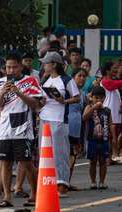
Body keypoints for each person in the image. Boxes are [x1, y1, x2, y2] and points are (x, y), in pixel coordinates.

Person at [0, 52, 45, 208]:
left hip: (23, 127)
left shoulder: (30, 81)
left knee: (26, 163)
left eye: (14, 67)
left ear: (21, 66)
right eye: (8, 67)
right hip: (4, 129)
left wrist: (18, 92)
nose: (11, 70)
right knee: (5, 162)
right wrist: (3, 92)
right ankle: (7, 196)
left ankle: (35, 193)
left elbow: (35, 104)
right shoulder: (0, 82)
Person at [39, 51, 79, 196]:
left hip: (60, 119)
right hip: (45, 118)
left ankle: (62, 182)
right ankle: (47, 181)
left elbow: (77, 97)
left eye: (46, 63)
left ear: (54, 64)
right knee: (45, 152)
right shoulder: (45, 80)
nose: (44, 65)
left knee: (59, 152)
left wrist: (64, 101)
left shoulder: (66, 80)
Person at [82, 86, 112, 189]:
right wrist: (94, 107)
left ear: (104, 98)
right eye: (96, 98)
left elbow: (110, 124)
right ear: (92, 98)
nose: (99, 100)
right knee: (93, 161)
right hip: (92, 139)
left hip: (104, 139)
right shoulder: (89, 107)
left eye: (101, 98)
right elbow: (84, 117)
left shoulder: (107, 110)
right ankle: (93, 181)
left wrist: (112, 138)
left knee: (103, 161)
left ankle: (102, 181)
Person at [68, 68, 88, 180]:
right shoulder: (68, 92)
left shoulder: (83, 94)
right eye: (79, 76)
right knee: (68, 155)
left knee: (73, 155)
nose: (82, 78)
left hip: (77, 128)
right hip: (67, 127)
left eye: (84, 76)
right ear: (73, 78)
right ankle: (62, 182)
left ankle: (67, 182)